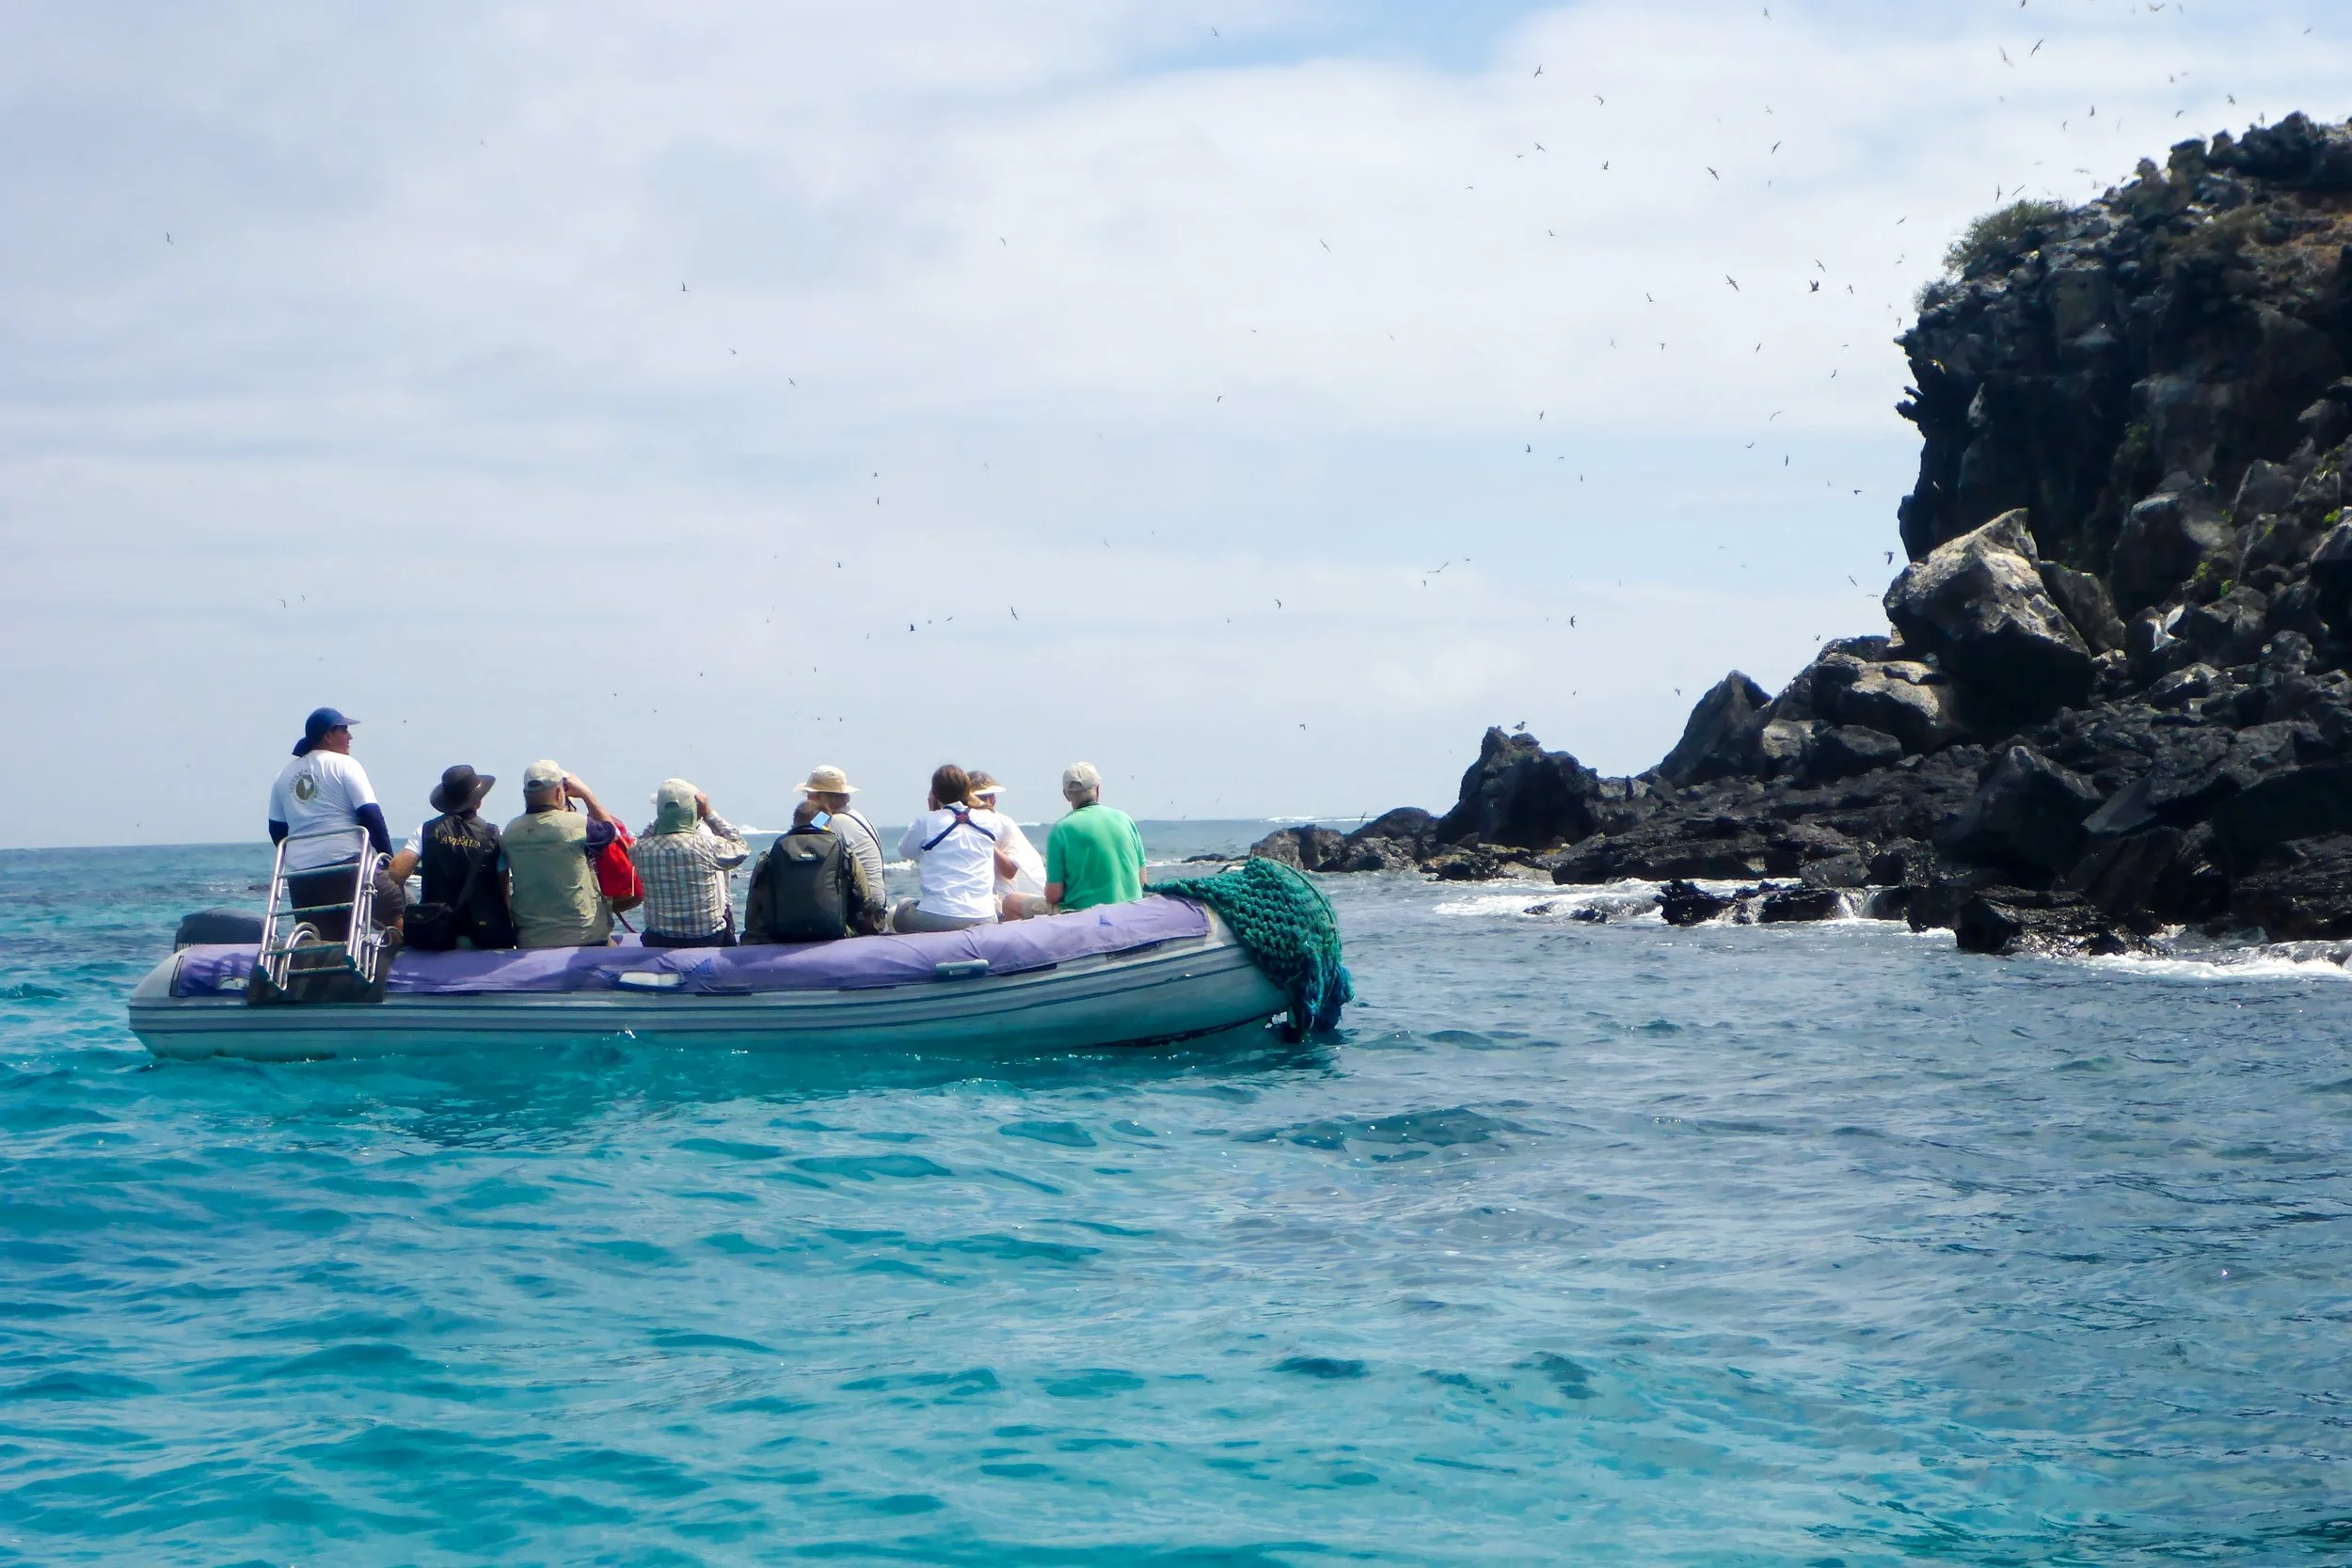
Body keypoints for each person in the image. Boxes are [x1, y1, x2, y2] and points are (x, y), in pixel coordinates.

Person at [265, 706, 402, 942]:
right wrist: (389, 860)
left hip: (302, 877)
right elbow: (371, 815)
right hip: (348, 867)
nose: (350, 737)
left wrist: (303, 856)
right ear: (328, 736)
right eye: (344, 731)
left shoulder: (283, 776)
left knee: (326, 939)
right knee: (400, 905)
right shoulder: (346, 764)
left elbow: (277, 830)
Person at [384, 765, 516, 951]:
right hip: (483, 933)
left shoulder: (425, 831)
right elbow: (503, 890)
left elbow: (397, 873)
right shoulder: (495, 835)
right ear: (477, 802)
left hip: (437, 932)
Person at [502, 760, 620, 948]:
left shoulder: (509, 832)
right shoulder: (579, 825)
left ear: (525, 793)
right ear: (559, 792)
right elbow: (613, 833)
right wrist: (585, 793)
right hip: (585, 936)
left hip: (531, 939)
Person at [893, 764, 1019, 933]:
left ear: (934, 794)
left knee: (901, 908)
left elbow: (905, 851)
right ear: (968, 790)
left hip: (938, 917)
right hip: (985, 915)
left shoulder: (925, 822)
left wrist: (932, 812)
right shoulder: (990, 820)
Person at [744, 798, 884, 942]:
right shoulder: (845, 853)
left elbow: (754, 905)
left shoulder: (770, 854)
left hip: (781, 937)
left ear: (794, 823)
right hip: (835, 935)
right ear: (826, 823)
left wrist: (752, 941)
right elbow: (866, 901)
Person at [631, 779, 750, 947]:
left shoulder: (641, 850)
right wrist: (709, 813)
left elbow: (641, 838)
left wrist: (663, 818)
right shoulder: (707, 845)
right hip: (707, 938)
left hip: (660, 940)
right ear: (693, 810)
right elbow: (741, 847)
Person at [1045, 761, 1147, 913]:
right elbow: (1142, 880)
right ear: (1097, 789)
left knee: (1012, 902)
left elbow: (1054, 895)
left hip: (1084, 917)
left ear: (1066, 795)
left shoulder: (1060, 830)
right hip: (1130, 913)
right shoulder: (1125, 819)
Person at [797, 766, 886, 922]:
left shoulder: (835, 822)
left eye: (809, 794)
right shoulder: (853, 816)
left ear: (822, 797)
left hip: (864, 914)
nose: (807, 800)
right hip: (875, 905)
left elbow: (801, 844)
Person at [968, 771, 1049, 920]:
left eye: (989, 796)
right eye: (981, 797)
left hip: (1016, 897)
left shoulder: (1002, 824)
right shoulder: (964, 823)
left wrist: (985, 841)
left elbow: (1009, 871)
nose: (987, 801)